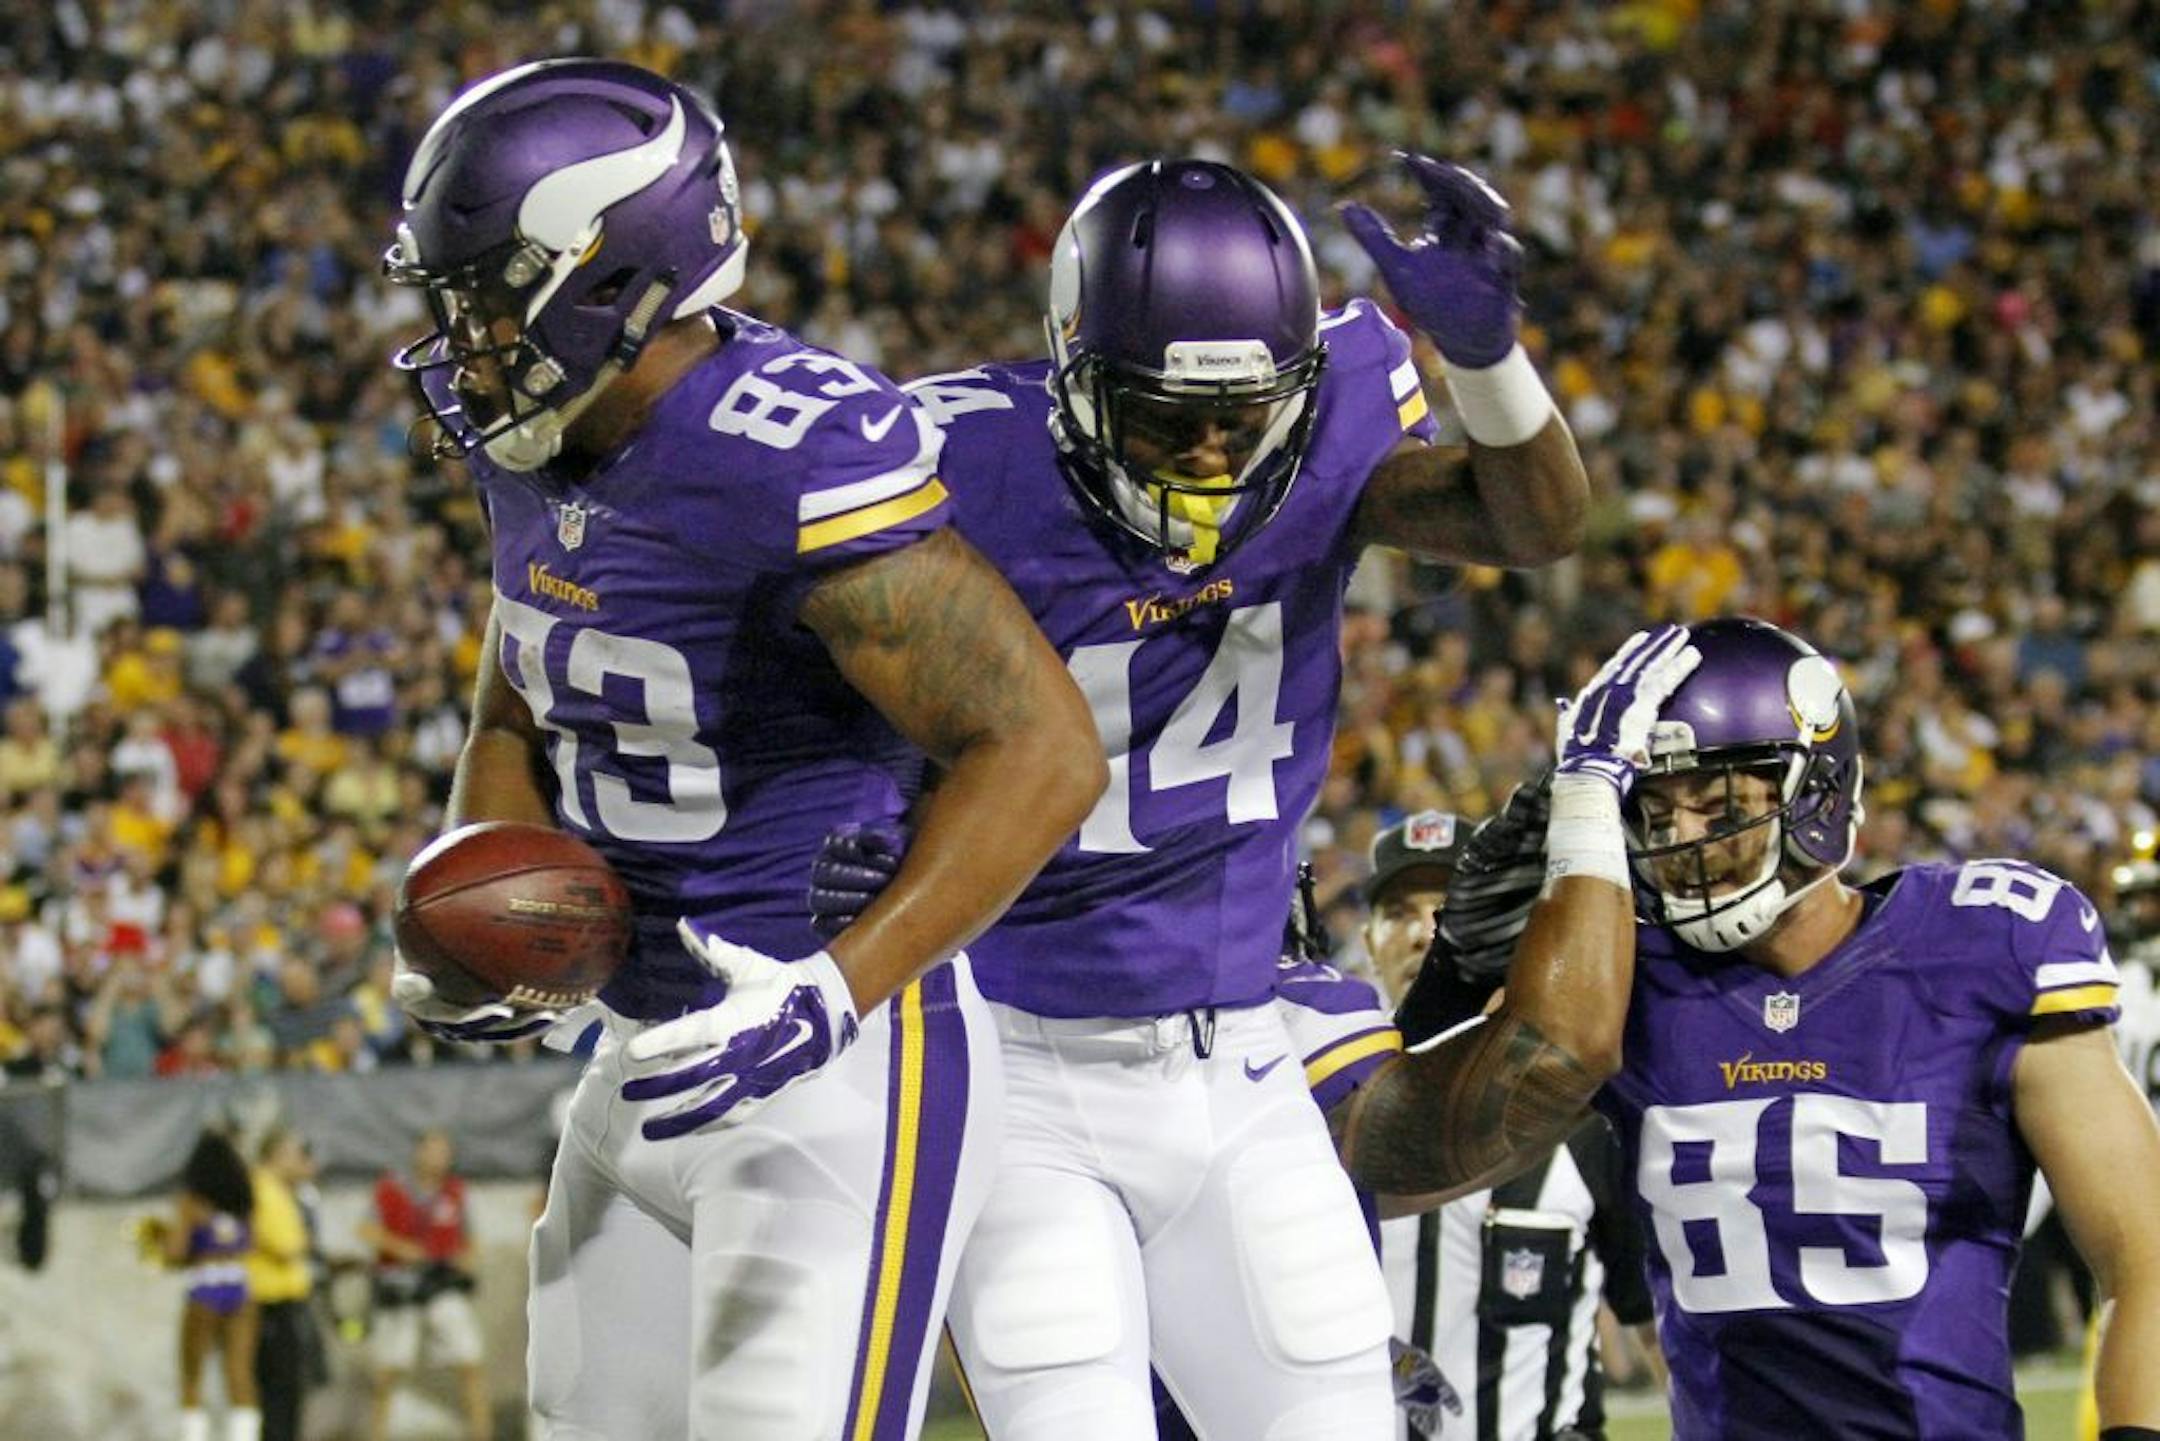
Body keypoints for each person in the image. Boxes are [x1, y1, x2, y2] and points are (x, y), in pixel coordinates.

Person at [380, 59, 1103, 1440]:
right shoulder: (532, 435)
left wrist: (837, 988)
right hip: (637, 1052)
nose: (459, 336)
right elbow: (511, 713)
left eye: (483, 294)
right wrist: (485, 919)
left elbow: (1044, 747)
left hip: (836, 1062)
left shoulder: (784, 451)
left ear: (608, 275)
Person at [810, 154, 1587, 1434]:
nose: (1215, 453)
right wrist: (845, 821)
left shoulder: (1336, 414)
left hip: (1239, 1062)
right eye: (1170, 416)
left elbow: (1529, 522)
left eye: (1245, 416)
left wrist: (1490, 361)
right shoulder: (947, 459)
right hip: (1010, 1071)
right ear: (1072, 369)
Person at [1353, 617, 2160, 1438]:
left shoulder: (1982, 946)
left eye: (1716, 803)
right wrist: (1455, 970)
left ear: (1815, 786)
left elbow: (2146, 1263)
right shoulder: (1633, 979)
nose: (1682, 842)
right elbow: (1393, 1166)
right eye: (1660, 814)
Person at [1351, 812, 1658, 1441]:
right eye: (1399, 913)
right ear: (1367, 941)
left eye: (1447, 910)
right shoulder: (1318, 1117)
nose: (1422, 935)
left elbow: (1657, 1322)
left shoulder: (1588, 1118)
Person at [358, 1130, 487, 1441]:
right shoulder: (391, 1188)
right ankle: (378, 1433)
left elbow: (472, 1241)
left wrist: (464, 1260)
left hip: (441, 1285)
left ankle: (481, 1432)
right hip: (400, 1286)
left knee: (469, 1359)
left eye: (444, 1152)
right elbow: (365, 1229)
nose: (437, 1158)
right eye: (431, 1150)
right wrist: (402, 1249)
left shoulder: (456, 1192)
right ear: (418, 1152)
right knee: (389, 1369)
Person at [143, 1128, 260, 1441]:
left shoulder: (192, 1204)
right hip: (239, 1285)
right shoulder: (243, 1202)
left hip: (204, 1287)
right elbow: (253, 1244)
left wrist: (158, 1242)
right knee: (239, 1376)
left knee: (192, 1376)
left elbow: (176, 1252)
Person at [247, 1126, 319, 1441]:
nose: (300, 1161)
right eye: (293, 1153)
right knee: (277, 1390)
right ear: (275, 1154)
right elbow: (288, 1246)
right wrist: (305, 1242)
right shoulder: (263, 1190)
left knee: (290, 1388)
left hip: (286, 1303)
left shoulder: (281, 1191)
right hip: (270, 1305)